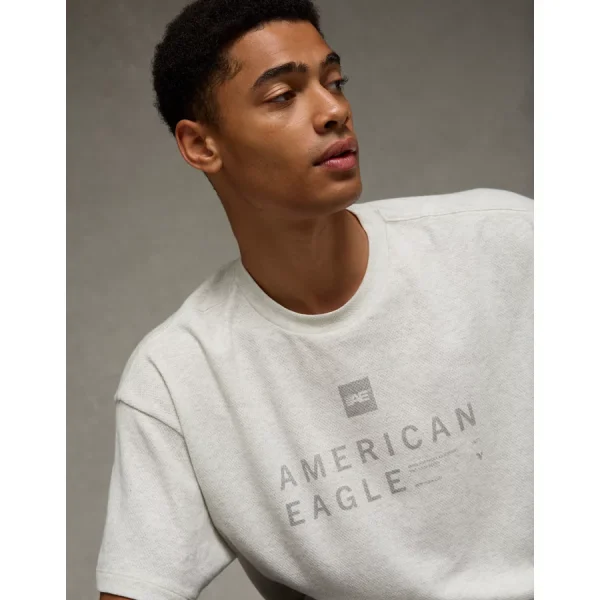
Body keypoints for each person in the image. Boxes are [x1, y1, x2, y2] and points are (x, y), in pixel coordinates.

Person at [96, 1, 533, 599]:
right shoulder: (176, 378)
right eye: (283, 95)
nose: (334, 110)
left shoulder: (509, 243)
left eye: (335, 82)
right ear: (201, 145)